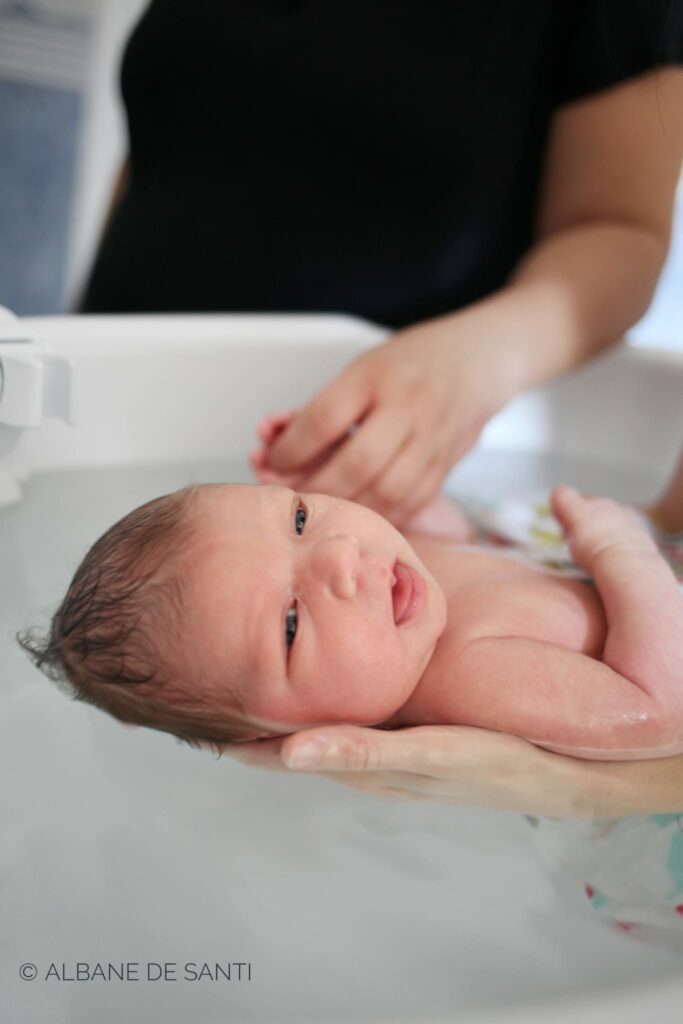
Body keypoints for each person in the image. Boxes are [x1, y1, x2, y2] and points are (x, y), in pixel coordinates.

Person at [78, 1, 683, 816]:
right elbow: (650, 709)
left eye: (297, 519)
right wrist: (623, 552)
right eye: (290, 627)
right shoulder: (468, 674)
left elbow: (457, 542)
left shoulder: (404, 598)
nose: (336, 560)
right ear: (272, 731)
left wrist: (402, 491)